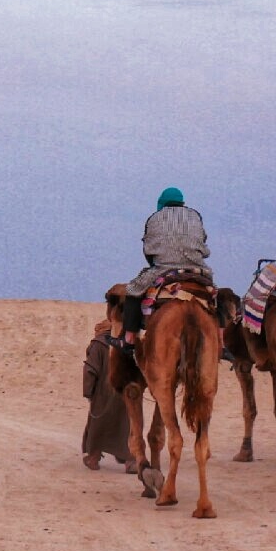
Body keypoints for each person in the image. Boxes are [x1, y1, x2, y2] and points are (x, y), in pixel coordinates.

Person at [122, 187, 212, 345]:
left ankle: (129, 338)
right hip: (198, 270)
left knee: (132, 291)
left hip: (163, 270)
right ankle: (220, 339)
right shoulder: (195, 216)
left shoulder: (154, 218)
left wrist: (155, 264)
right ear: (181, 202)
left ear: (162, 202)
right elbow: (203, 243)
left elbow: (148, 249)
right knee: (217, 300)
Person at [81, 321, 132, 470]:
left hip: (102, 395)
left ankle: (93, 458)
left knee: (98, 426)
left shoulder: (98, 345)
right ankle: (130, 461)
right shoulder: (125, 343)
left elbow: (90, 370)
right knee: (124, 426)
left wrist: (88, 392)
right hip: (124, 393)